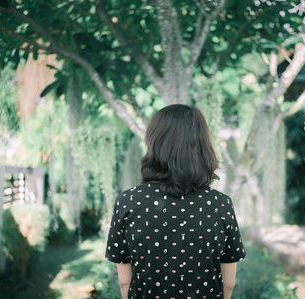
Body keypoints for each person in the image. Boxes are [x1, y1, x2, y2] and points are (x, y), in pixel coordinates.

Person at [105, 104, 246, 299]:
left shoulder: (127, 202)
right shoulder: (220, 204)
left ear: (154, 143)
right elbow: (228, 283)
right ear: (202, 146)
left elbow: (124, 282)